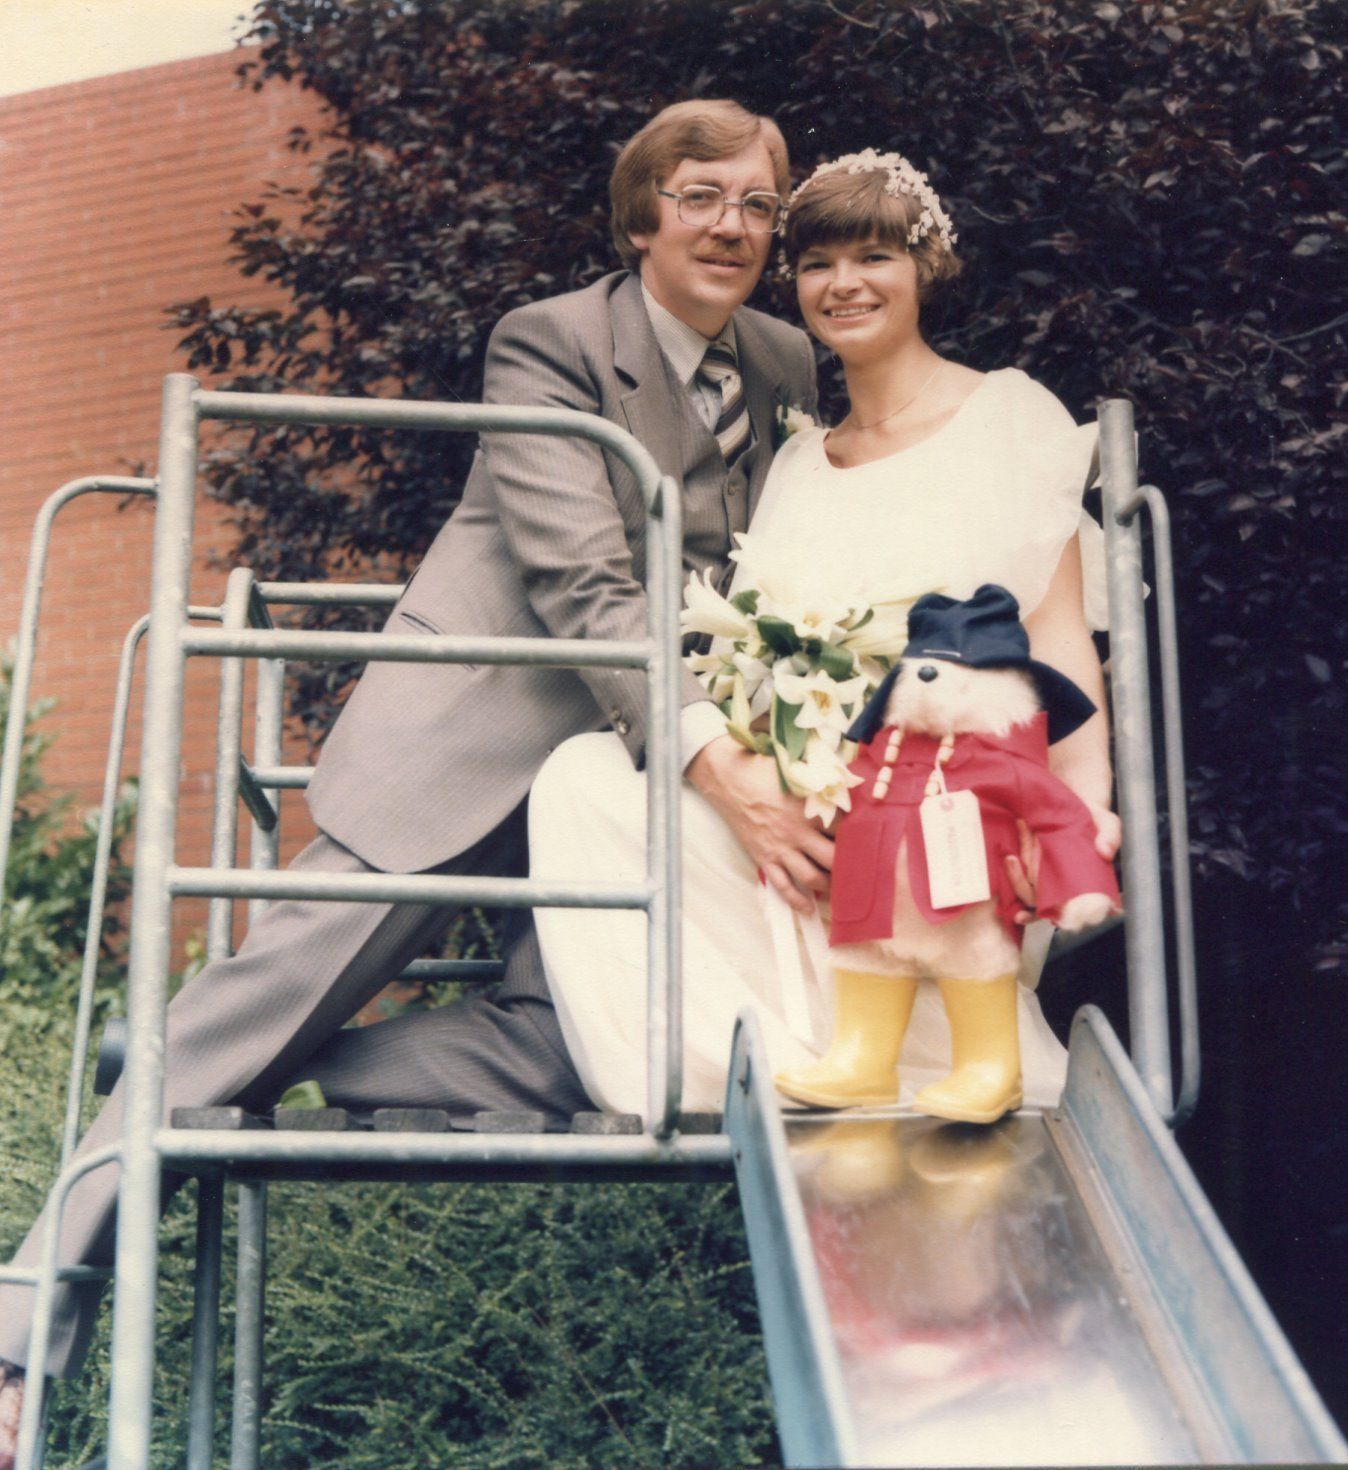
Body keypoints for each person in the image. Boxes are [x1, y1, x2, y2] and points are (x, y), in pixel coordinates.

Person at [0, 97, 822, 1443]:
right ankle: (20, 1338)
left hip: (614, 795)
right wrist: (717, 760)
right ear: (640, 218)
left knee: (593, 1060)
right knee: (224, 1033)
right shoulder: (552, 342)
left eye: (755, 204)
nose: (731, 225)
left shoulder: (785, 362)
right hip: (479, 737)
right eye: (700, 196)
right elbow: (580, 580)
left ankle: (307, 1056)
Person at [530, 149, 1121, 1119]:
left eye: (875, 257)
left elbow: (1060, 647)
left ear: (926, 267)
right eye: (816, 264)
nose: (843, 285)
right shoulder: (802, 459)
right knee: (585, 781)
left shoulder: (1006, 416)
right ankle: (749, 1065)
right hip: (818, 797)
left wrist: (1084, 809)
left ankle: (944, 1060)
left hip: (964, 802)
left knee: (930, 859)